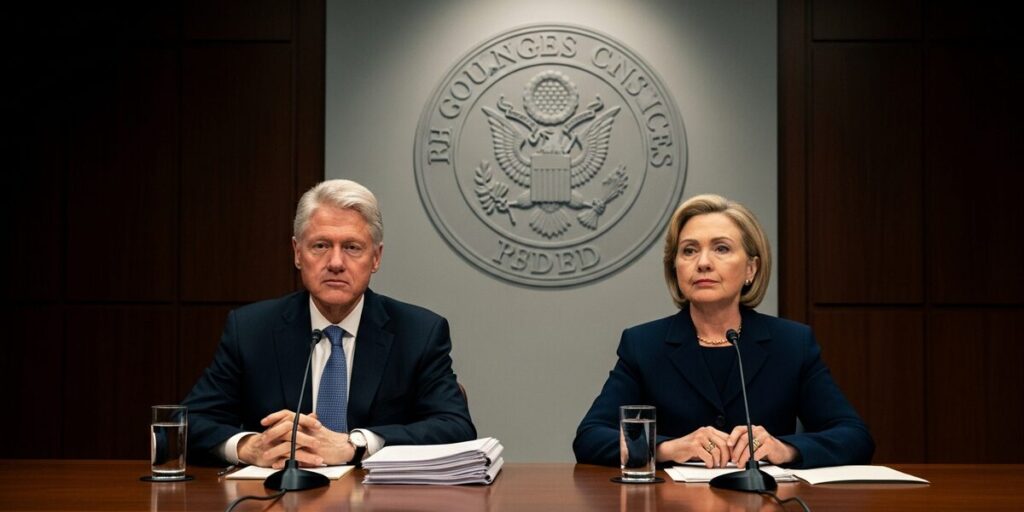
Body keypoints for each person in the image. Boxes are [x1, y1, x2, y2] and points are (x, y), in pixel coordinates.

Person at [183, 179, 475, 468]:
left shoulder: (419, 333)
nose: (335, 262)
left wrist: (355, 445)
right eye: (321, 245)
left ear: (375, 258)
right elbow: (186, 423)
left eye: (352, 247)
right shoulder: (251, 330)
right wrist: (249, 447)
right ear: (298, 253)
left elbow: (456, 428)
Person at [573, 194, 873, 469]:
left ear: (751, 269)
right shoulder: (644, 344)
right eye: (689, 250)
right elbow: (590, 437)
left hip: (764, 499)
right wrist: (667, 448)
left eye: (721, 248)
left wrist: (784, 449)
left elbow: (855, 437)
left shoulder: (792, 344)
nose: (703, 263)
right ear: (675, 268)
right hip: (674, 501)